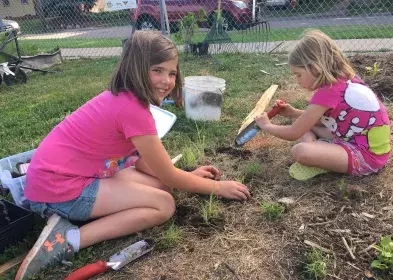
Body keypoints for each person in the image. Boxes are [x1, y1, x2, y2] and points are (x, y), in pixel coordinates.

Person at [15, 31, 250, 280]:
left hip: (61, 178)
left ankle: (73, 220)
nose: (167, 80)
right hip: (58, 189)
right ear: (135, 68)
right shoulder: (132, 110)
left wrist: (187, 176)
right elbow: (168, 173)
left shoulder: (124, 98)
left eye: (172, 73)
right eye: (157, 70)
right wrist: (217, 188)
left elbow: (143, 162)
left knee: (163, 188)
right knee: (163, 205)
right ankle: (69, 239)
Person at [254, 29, 391, 181]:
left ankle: (318, 151)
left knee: (300, 151)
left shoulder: (327, 93)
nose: (297, 80)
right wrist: (293, 113)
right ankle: (321, 149)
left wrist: (266, 126)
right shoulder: (346, 80)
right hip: (354, 139)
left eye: (298, 74)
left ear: (315, 67)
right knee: (305, 124)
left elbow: (293, 133)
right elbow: (324, 119)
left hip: (366, 158)